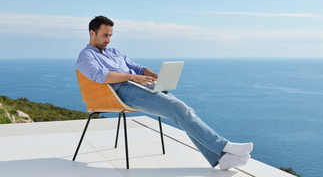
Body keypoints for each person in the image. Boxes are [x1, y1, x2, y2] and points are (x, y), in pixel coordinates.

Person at [76, 15, 253, 170]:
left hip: (140, 85)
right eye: (105, 35)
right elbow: (99, 76)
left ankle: (221, 158)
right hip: (123, 92)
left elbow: (136, 66)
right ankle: (225, 146)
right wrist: (132, 77)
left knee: (184, 110)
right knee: (177, 108)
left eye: (111, 36)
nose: (108, 40)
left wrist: (150, 74)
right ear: (92, 33)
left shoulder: (114, 52)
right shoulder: (86, 56)